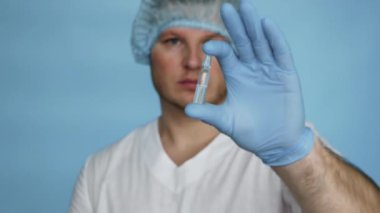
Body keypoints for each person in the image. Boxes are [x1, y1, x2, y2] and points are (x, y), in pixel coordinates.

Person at [70, 0, 380, 212]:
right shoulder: (102, 171)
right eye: (173, 41)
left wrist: (296, 155)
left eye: (211, 44)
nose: (193, 62)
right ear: (147, 49)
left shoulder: (284, 145)